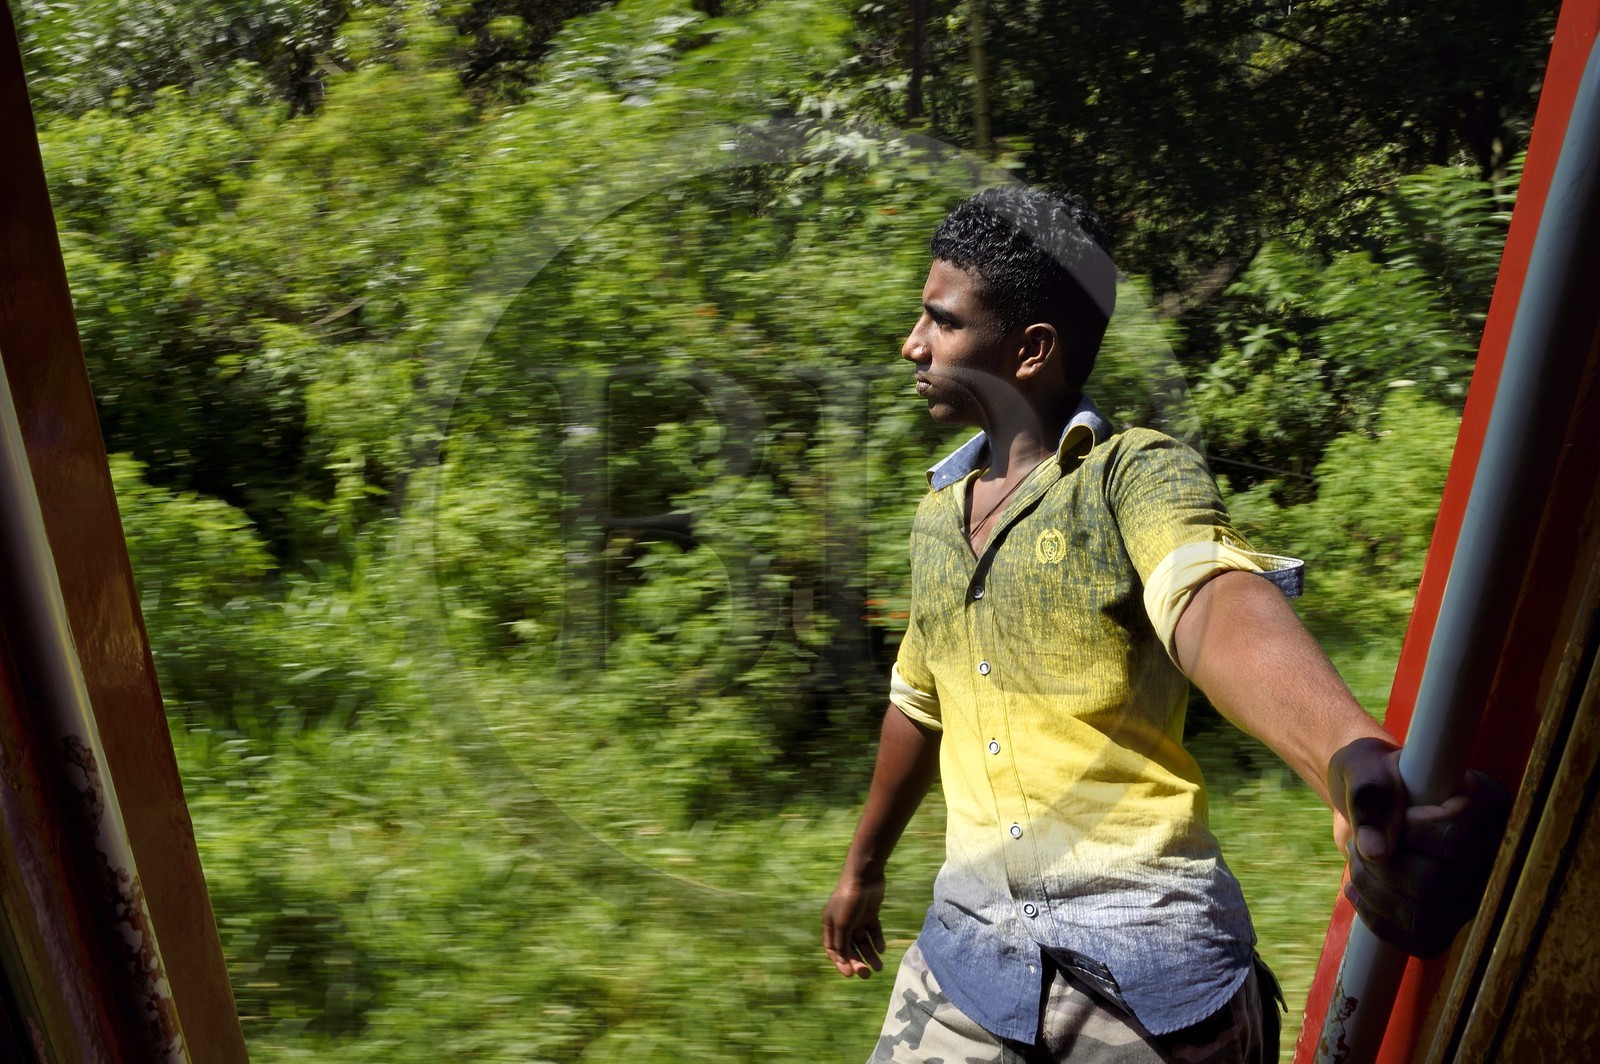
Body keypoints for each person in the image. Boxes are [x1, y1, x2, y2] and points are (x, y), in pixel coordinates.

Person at [821, 185, 1507, 1064]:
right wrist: (863, 869)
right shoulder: (937, 521)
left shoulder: (1132, 475)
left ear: (1030, 350)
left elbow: (1208, 594)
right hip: (965, 971)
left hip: (1152, 991)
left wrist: (1346, 758)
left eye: (941, 323)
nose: (912, 344)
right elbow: (920, 700)